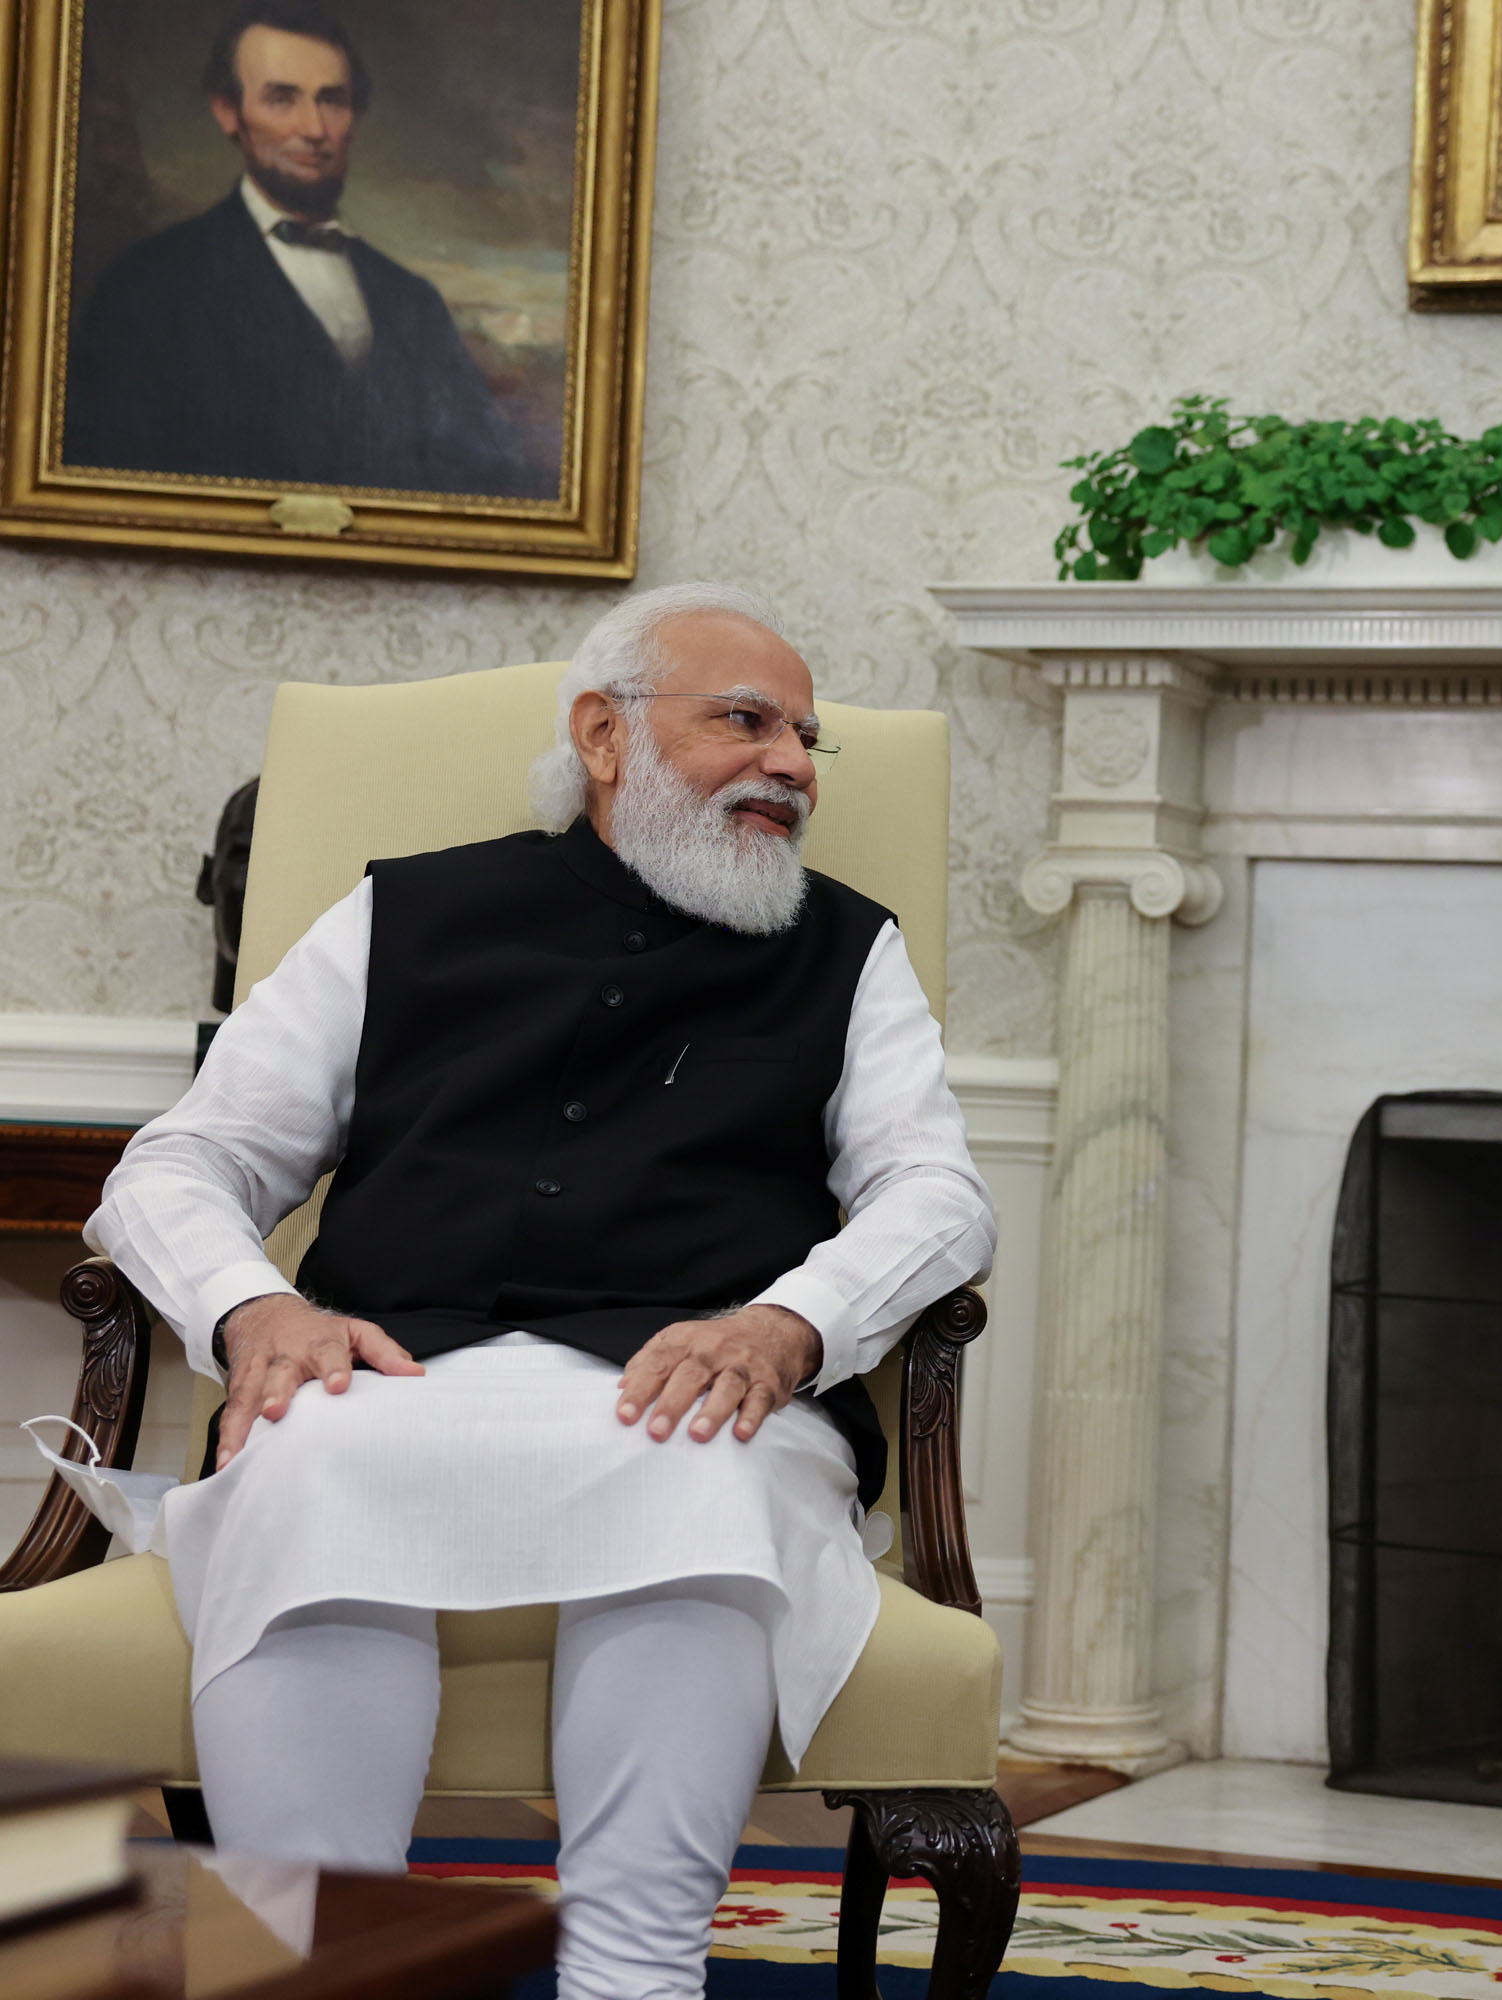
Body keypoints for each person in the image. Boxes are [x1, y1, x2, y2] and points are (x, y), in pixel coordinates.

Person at [86, 583, 995, 2000]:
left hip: (699, 1388)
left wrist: (787, 1323)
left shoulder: (849, 950)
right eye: (746, 722)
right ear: (605, 734)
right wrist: (251, 1311)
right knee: (309, 1457)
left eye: (808, 738)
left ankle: (632, 1973)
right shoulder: (407, 912)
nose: (797, 766)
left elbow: (938, 1195)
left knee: (695, 1468)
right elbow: (178, 1164)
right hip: (397, 1376)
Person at [62, 5, 542, 497]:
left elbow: (491, 483)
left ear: (354, 116)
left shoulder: (415, 303)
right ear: (229, 112)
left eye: (332, 101)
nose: (314, 129)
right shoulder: (146, 287)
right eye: (281, 99)